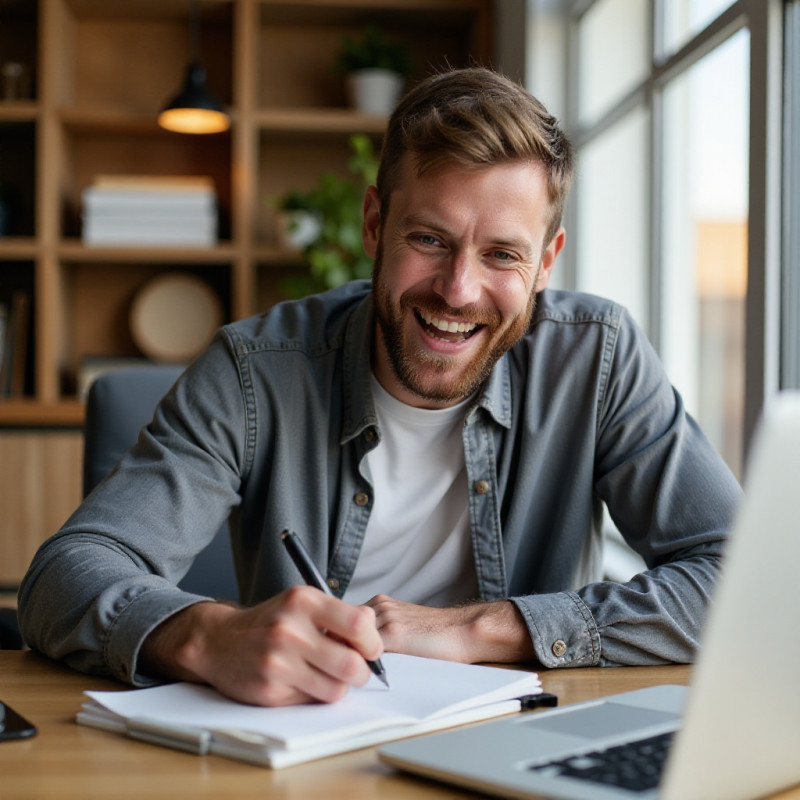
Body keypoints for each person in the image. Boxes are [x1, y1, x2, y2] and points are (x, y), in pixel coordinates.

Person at [18, 67, 741, 708]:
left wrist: (486, 627)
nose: (459, 290)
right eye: (429, 239)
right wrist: (207, 635)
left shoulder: (599, 359)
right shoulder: (254, 369)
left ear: (546, 261)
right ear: (375, 224)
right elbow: (63, 577)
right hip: (302, 748)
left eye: (501, 254)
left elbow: (741, 582)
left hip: (517, 741)